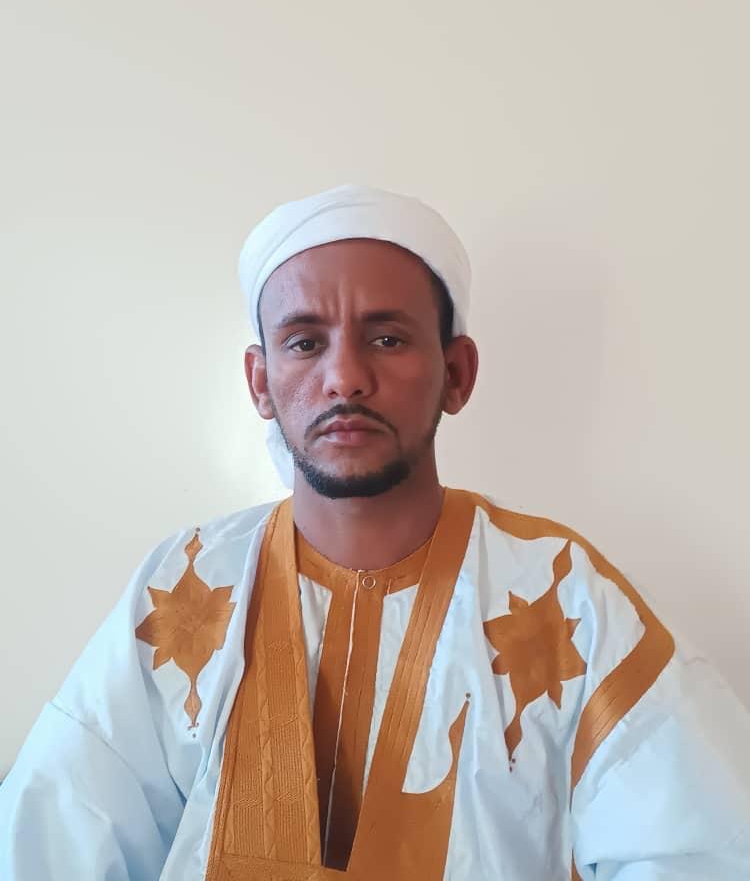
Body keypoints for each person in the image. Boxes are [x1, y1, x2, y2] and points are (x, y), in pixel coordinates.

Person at [1, 184, 749, 881]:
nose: (345, 377)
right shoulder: (185, 588)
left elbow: (701, 845)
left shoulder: (562, 599)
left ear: (457, 373)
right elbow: (54, 834)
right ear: (260, 382)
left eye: (387, 339)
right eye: (304, 342)